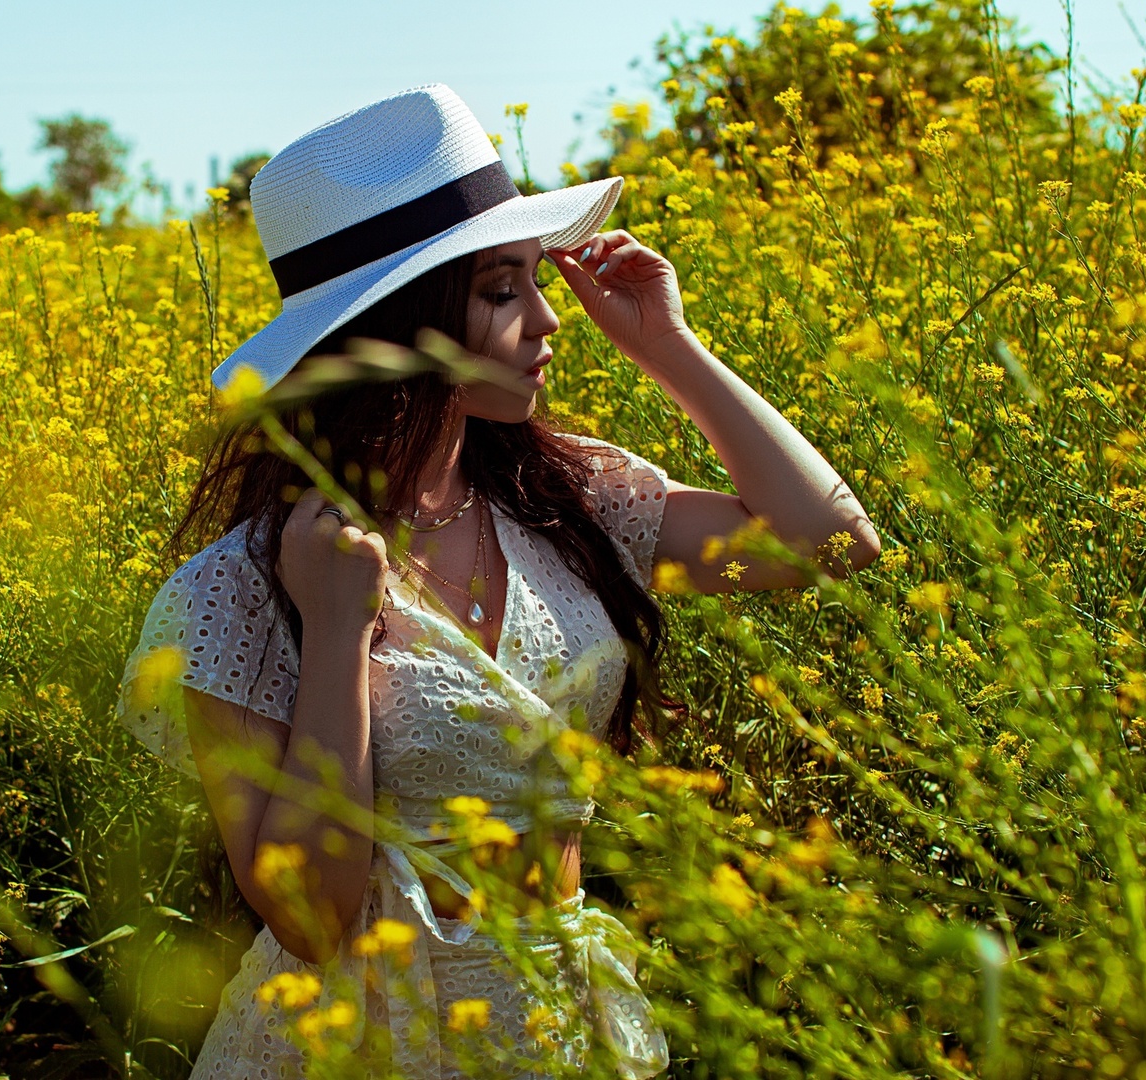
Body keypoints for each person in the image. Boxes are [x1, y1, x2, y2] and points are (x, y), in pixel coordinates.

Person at [116, 84, 882, 1080]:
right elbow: (311, 916)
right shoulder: (241, 590)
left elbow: (829, 543)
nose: (548, 319)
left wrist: (669, 350)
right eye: (498, 290)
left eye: (532, 279)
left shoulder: (568, 504)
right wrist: (338, 633)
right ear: (397, 331)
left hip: (558, 1022)